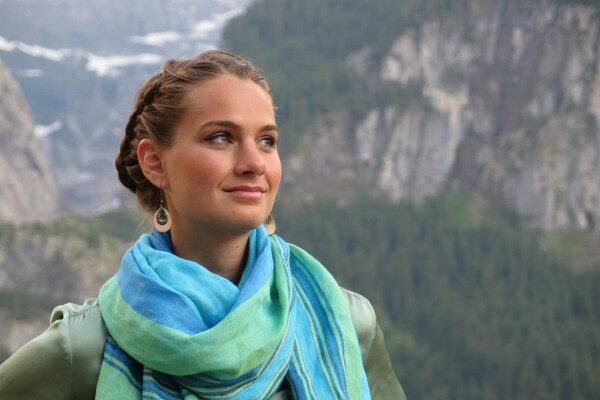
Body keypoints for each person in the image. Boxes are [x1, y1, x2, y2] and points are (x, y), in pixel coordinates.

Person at [0, 50, 406, 399]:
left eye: (267, 141)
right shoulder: (84, 348)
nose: (254, 163)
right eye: (221, 138)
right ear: (155, 162)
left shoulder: (346, 323)